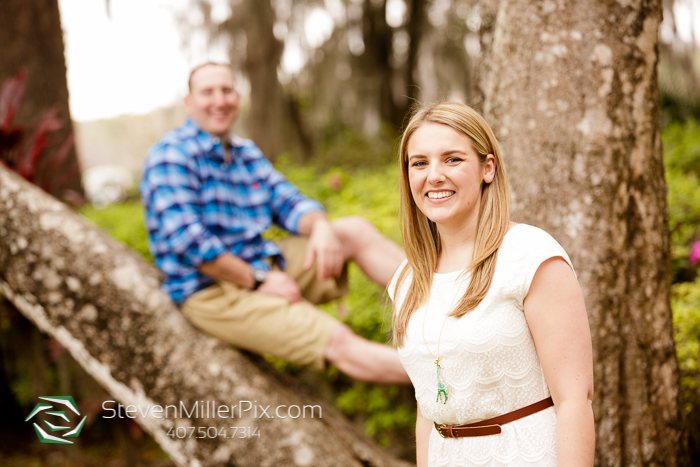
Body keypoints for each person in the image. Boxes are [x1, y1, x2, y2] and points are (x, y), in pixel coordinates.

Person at [140, 62, 409, 384]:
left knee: (351, 231)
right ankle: (447, 376)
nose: (219, 100)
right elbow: (190, 245)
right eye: (207, 92)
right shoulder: (171, 155)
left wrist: (321, 226)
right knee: (338, 341)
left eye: (226, 90)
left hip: (262, 262)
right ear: (189, 103)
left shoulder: (243, 152)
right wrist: (259, 281)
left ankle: (446, 311)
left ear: (237, 97)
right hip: (212, 290)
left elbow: (290, 203)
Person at [388, 102, 594, 465]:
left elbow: (575, 400)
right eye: (419, 163)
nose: (433, 175)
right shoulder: (407, 279)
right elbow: (427, 409)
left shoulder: (531, 256)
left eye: (452, 159)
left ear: (487, 168)